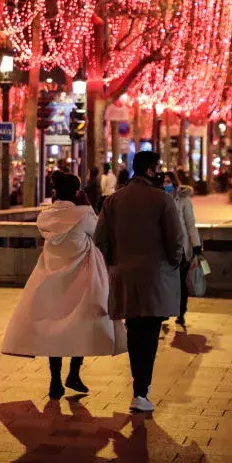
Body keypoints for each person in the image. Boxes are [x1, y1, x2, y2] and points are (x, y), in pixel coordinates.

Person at [2, 172, 125, 398]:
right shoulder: (83, 214)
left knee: (54, 329)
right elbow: (100, 233)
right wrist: (88, 207)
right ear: (77, 192)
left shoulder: (46, 216)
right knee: (81, 325)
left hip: (51, 280)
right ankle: (74, 374)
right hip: (82, 279)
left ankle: (55, 381)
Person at [95, 150, 184, 414]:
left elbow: (100, 240)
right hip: (155, 277)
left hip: (124, 277)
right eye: (158, 167)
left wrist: (115, 263)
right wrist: (173, 262)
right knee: (150, 334)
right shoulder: (162, 199)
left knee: (134, 331)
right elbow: (176, 240)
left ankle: (139, 389)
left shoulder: (113, 200)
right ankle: (141, 391)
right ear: (150, 170)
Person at [168, 170, 201, 331]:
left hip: (181, 248)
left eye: (168, 181)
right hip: (164, 249)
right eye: (163, 181)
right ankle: (165, 310)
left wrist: (196, 244)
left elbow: (190, 223)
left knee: (180, 281)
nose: (166, 184)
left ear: (174, 182)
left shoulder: (183, 200)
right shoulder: (158, 198)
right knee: (165, 281)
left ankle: (181, 311)